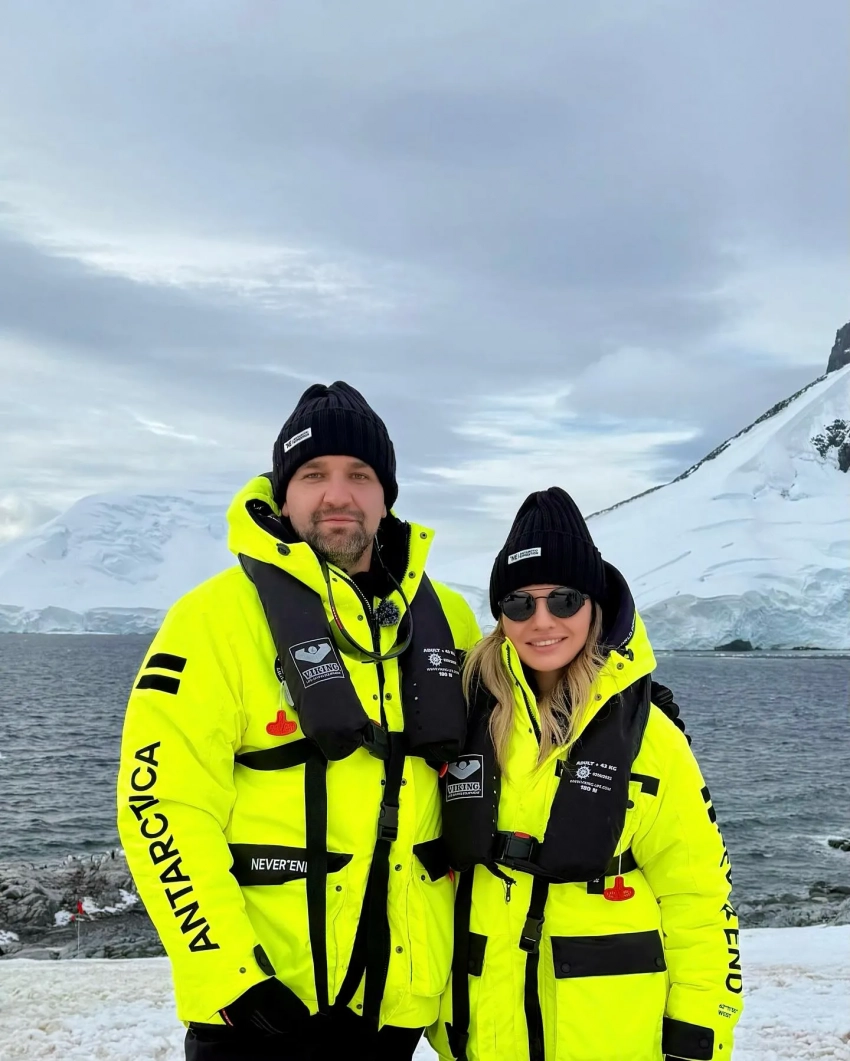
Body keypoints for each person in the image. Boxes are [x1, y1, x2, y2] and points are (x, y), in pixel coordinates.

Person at [117, 381, 481, 1061]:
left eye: (359, 474)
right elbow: (160, 806)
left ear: (387, 495)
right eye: (314, 474)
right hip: (260, 1011)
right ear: (283, 495)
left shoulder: (449, 621)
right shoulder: (213, 619)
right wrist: (230, 976)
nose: (337, 494)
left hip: (395, 1010)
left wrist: (626, 708)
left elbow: (518, 735)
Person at [430, 487, 743, 1061]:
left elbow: (700, 899)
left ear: (595, 604)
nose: (541, 621)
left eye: (564, 599)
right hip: (482, 1033)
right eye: (519, 603)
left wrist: (700, 1034)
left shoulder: (652, 738)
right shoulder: (465, 716)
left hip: (610, 1035)